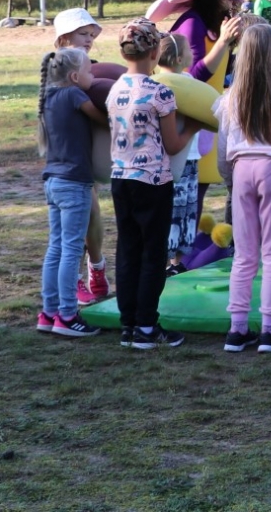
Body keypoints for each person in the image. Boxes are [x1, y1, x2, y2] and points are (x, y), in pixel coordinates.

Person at [107, 18, 201, 350]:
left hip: (120, 179)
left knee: (128, 250)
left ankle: (129, 324)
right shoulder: (161, 92)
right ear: (155, 49)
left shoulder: (115, 88)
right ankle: (148, 326)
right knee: (152, 253)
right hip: (153, 182)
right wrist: (193, 127)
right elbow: (174, 145)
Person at [215, 23, 271, 353]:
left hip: (241, 171)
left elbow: (224, 150)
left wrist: (229, 182)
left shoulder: (230, 98)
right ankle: (269, 329)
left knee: (245, 254)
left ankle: (237, 328)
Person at [36, 46, 106, 337]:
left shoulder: (49, 97)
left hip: (53, 181)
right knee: (72, 249)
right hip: (75, 183)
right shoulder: (76, 95)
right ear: (75, 76)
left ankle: (48, 311)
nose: (92, 75)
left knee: (56, 248)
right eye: (89, 71)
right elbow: (102, 119)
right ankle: (67, 315)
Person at [47, 7, 111, 306]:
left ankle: (95, 268)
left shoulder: (89, 68)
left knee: (91, 216)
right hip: (68, 159)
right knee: (76, 227)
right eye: (83, 34)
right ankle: (73, 285)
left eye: (92, 35)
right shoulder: (57, 74)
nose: (89, 40)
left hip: (86, 156)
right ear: (63, 39)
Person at [156, 34, 203, 278]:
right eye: (189, 50)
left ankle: (177, 263)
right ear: (177, 58)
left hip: (184, 156)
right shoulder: (176, 83)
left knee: (184, 209)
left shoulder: (181, 80)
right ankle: (170, 260)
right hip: (182, 156)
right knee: (180, 210)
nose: (193, 53)